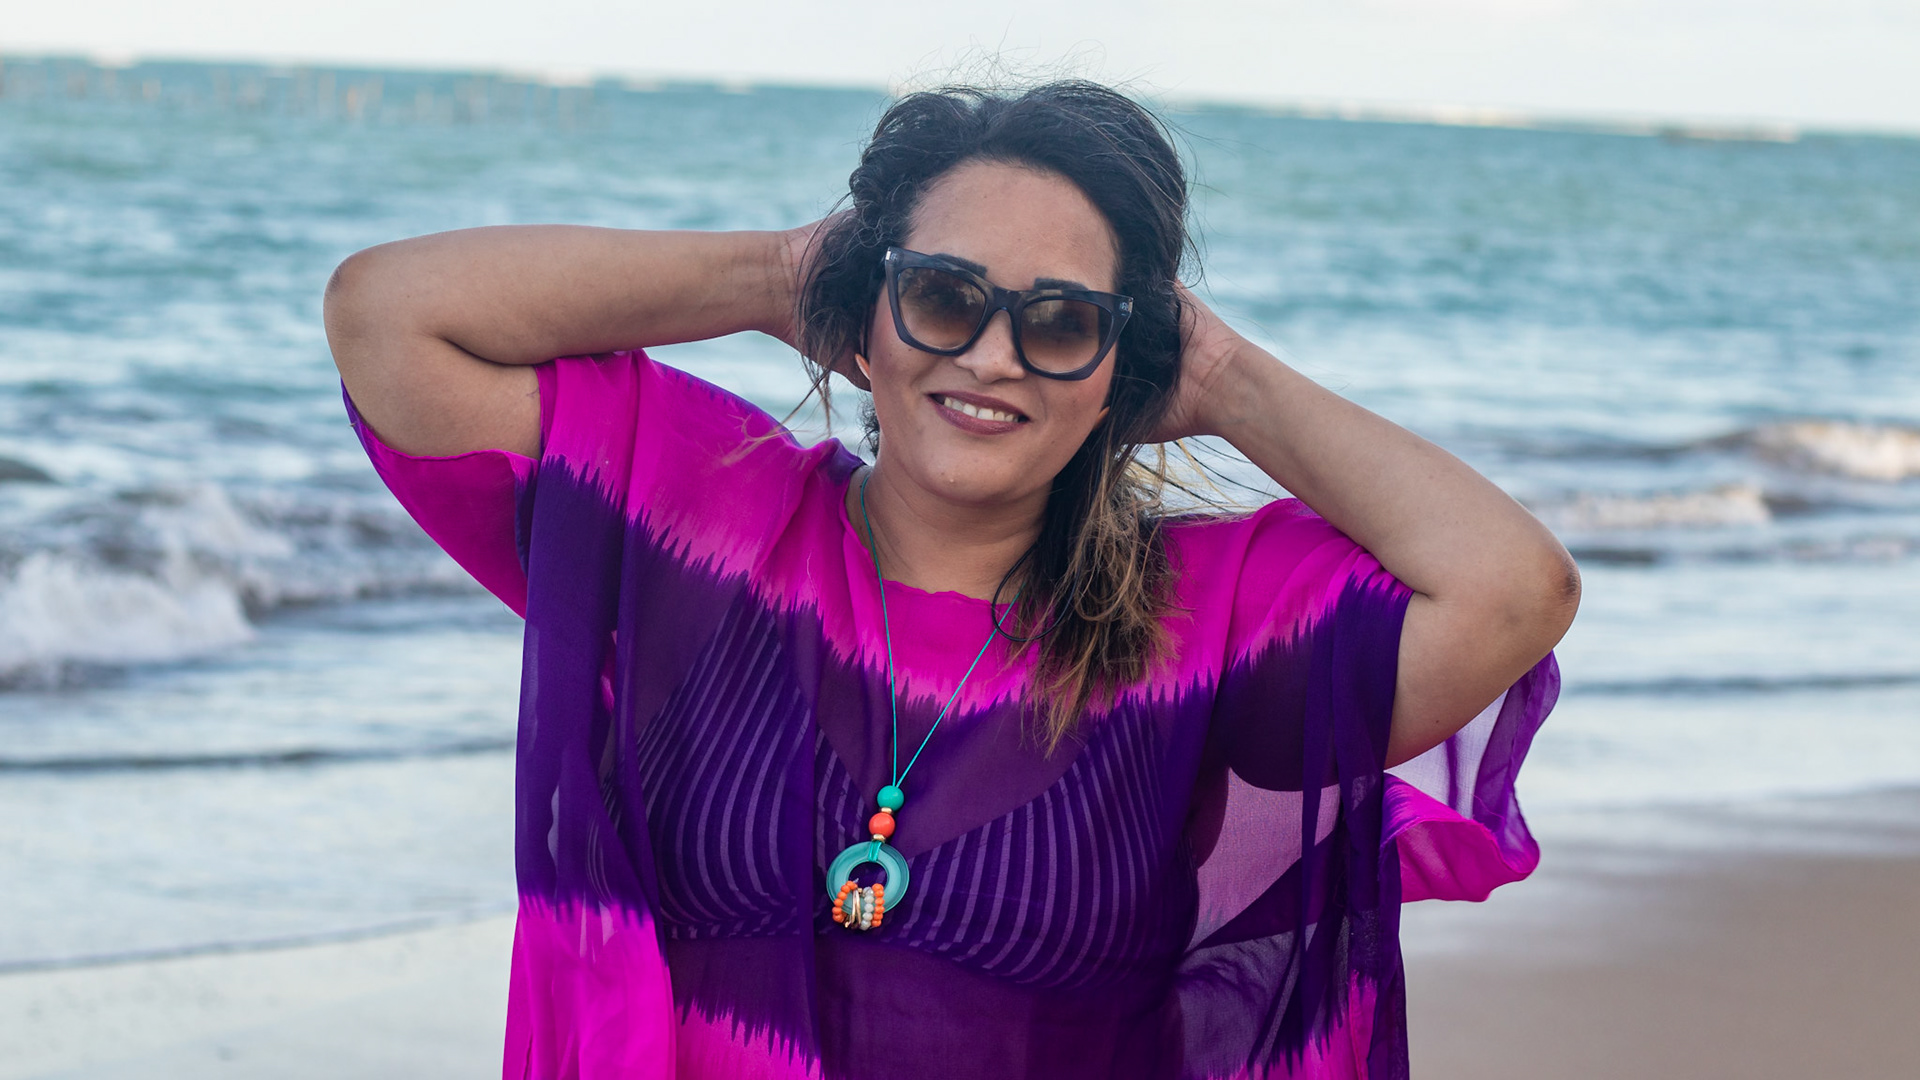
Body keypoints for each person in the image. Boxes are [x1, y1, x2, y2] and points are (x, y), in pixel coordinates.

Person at [324, 80, 1577, 1080]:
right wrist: (775, 278)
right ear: (867, 312)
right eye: (940, 295)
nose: (990, 355)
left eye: (1061, 322)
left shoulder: (1196, 624)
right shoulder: (702, 517)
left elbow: (1512, 589)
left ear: (1121, 363)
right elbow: (388, 316)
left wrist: (1225, 383)